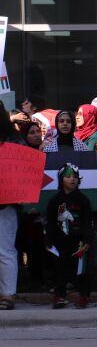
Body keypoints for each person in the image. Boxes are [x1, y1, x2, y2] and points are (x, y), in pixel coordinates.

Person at [45, 163, 94, 309]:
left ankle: (84, 296)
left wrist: (86, 240)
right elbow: (51, 223)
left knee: (81, 270)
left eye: (75, 177)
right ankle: (60, 296)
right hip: (60, 241)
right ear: (61, 180)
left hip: (78, 241)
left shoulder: (83, 200)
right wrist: (49, 240)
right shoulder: (54, 201)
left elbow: (87, 222)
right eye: (68, 177)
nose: (72, 179)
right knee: (59, 269)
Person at [0, 103, 23, 310]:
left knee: (5, 250)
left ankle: (7, 295)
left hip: (5, 206)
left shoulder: (13, 141)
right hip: (6, 205)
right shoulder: (14, 139)